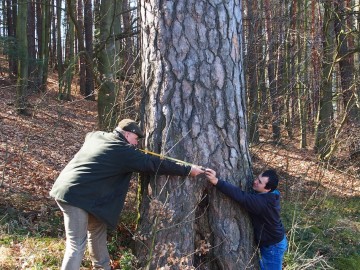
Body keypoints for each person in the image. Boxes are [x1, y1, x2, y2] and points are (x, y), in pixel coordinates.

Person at [50, 119, 204, 270]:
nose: (136, 143)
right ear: (128, 134)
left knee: (97, 233)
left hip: (83, 195)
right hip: (74, 196)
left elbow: (89, 135)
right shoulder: (124, 152)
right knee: (76, 244)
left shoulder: (97, 136)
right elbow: (153, 164)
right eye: (136, 139)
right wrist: (188, 170)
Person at [204, 169, 287, 270]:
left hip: (273, 246)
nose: (255, 181)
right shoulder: (273, 194)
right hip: (274, 241)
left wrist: (216, 181)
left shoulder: (262, 203)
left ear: (267, 189)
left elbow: (240, 196)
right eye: (257, 178)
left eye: (260, 182)